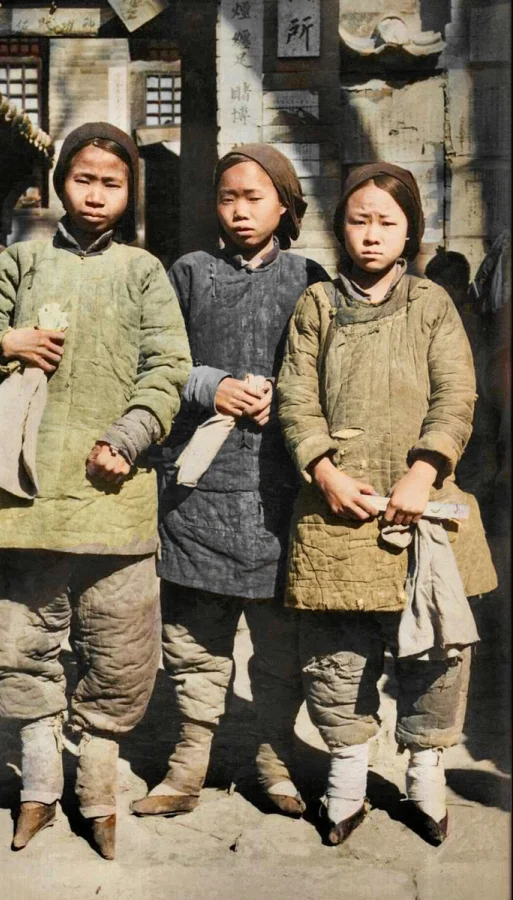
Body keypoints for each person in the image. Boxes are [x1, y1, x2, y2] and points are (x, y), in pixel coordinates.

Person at [0, 122, 191, 860]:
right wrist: (7, 345)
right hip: (19, 493)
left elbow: (168, 368)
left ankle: (97, 789)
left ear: (129, 193)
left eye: (111, 183)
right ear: (60, 185)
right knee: (10, 637)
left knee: (119, 647)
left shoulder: (143, 272)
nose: (95, 194)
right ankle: (39, 784)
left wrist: (129, 436)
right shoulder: (19, 263)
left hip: (112, 495)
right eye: (83, 179)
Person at [276, 162, 497, 846]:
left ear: (410, 232)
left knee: (436, 650)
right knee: (336, 653)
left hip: (420, 504)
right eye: (358, 220)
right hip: (337, 508)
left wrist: (423, 473)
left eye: (386, 222)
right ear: (340, 227)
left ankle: (425, 772)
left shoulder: (432, 304)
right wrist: (323, 472)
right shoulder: (316, 305)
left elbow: (455, 395)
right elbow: (295, 398)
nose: (371, 235)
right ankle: (346, 776)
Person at [131, 144, 329, 819]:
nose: (239, 211)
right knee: (194, 638)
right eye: (227, 198)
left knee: (278, 642)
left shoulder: (309, 277)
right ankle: (188, 763)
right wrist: (209, 385)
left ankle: (273, 757)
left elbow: (327, 368)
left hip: (280, 490)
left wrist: (288, 398)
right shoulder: (188, 273)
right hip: (198, 489)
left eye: (254, 197)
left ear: (285, 205)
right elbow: (156, 360)